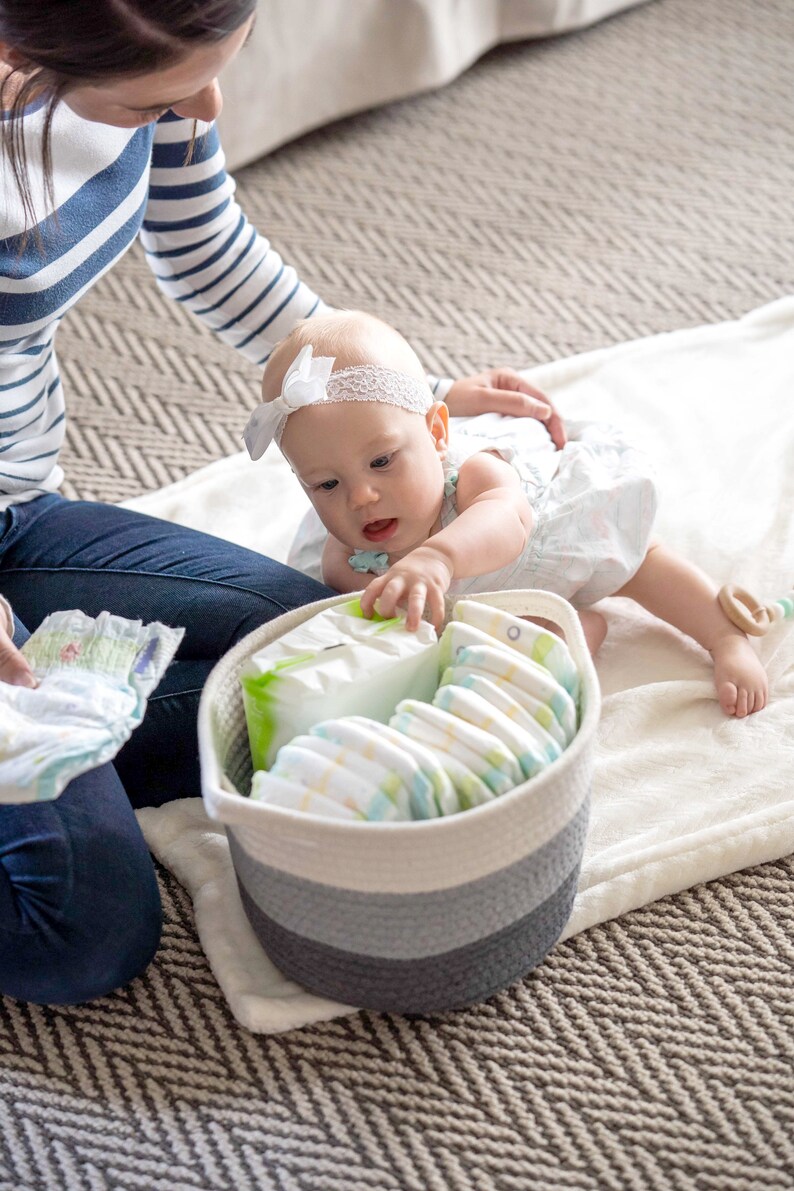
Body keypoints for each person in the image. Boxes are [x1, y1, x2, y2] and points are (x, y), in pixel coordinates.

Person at [0, 1, 562, 1005]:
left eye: (212, 75)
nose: (205, 108)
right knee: (88, 933)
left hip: (16, 511)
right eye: (158, 103)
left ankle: (55, 777)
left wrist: (394, 401)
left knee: (307, 642)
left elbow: (205, 244)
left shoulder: (155, 60)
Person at [246, 309, 769, 722]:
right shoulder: (344, 557)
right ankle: (570, 629)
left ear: (435, 434)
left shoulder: (472, 473)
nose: (360, 497)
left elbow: (508, 521)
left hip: (544, 545)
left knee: (638, 562)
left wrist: (438, 557)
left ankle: (724, 636)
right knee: (487, 667)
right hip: (490, 603)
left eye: (382, 461)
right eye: (327, 484)